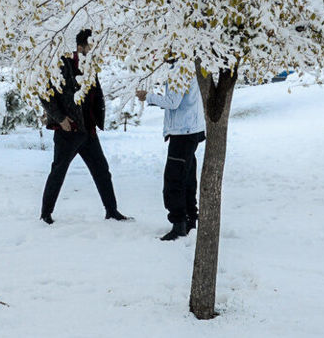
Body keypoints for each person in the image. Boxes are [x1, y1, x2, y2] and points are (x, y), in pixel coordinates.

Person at [39, 29, 131, 224]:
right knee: (58, 171)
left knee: (102, 170)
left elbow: (95, 95)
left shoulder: (90, 67)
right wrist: (61, 119)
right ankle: (45, 214)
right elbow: (45, 94)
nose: (93, 51)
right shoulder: (63, 65)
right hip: (68, 131)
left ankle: (111, 211)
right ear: (80, 47)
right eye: (90, 48)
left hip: (88, 132)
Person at [136, 61, 205, 241]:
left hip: (182, 132)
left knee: (174, 180)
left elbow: (173, 102)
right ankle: (190, 220)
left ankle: (179, 224)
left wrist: (148, 97)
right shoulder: (191, 65)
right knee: (188, 178)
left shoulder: (180, 70)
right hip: (191, 130)